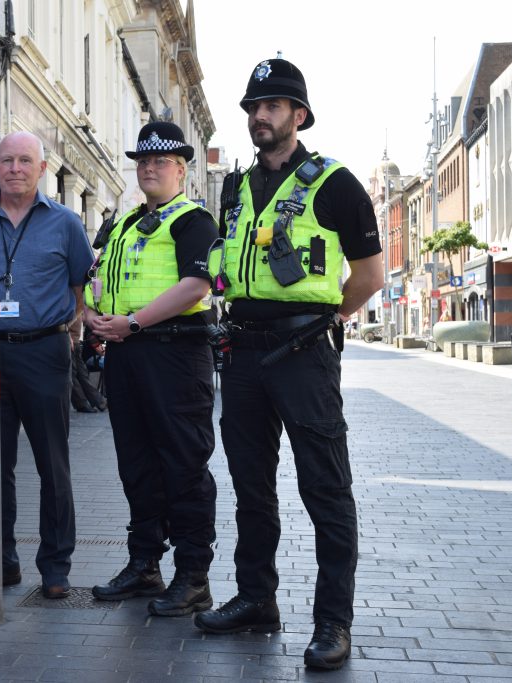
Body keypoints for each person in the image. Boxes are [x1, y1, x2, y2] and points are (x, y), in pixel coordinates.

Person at [193, 58, 382, 671]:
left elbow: (371, 275)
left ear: (299, 116)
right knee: (251, 486)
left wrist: (325, 320)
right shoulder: (236, 188)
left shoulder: (337, 183)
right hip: (243, 352)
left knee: (325, 487)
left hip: (304, 354)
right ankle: (256, 599)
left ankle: (333, 620)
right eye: (253, 107)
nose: (259, 116)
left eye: (272, 106)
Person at [0, 131, 95, 599]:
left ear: (42, 168)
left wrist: (63, 334)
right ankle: (3, 559)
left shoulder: (67, 224)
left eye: (25, 160)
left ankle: (55, 566)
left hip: (45, 353)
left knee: (53, 463)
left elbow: (79, 289)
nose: (15, 168)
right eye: (7, 160)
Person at [85, 121, 218, 618]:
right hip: (126, 355)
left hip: (175, 356)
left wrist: (132, 323)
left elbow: (196, 286)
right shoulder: (122, 222)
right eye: (142, 161)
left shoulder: (193, 220)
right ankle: (144, 563)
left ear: (181, 170)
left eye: (160, 161)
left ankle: (193, 578)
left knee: (183, 466)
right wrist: (93, 315)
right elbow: (100, 278)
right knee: (136, 464)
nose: (149, 168)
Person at [68, 316, 107, 413]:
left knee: (78, 374)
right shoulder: (92, 330)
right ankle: (91, 402)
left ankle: (94, 401)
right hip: (88, 354)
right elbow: (99, 349)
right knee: (77, 374)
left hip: (74, 342)